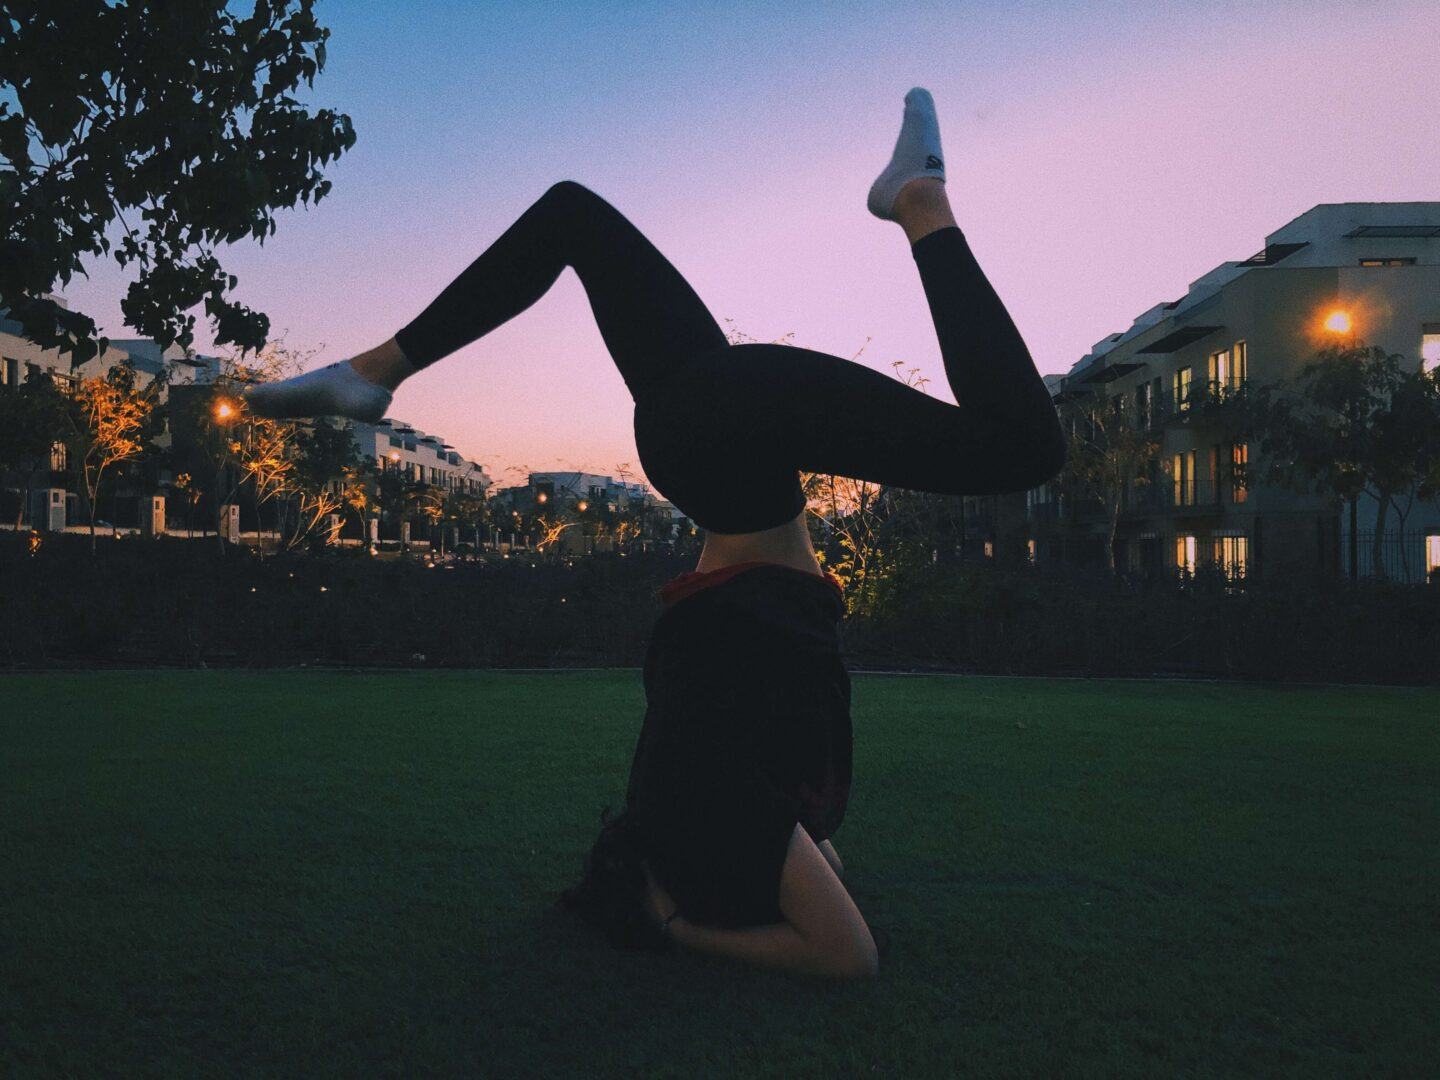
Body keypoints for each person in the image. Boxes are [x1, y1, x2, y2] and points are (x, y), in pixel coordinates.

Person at [245, 87, 1066, 979]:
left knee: (1021, 446)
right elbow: (826, 863)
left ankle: (920, 203)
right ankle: (372, 372)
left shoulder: (709, 805)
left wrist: (675, 930)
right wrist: (692, 901)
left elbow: (848, 956)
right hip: (718, 451)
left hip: (726, 446)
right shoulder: (715, 809)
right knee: (573, 216)